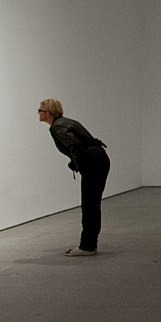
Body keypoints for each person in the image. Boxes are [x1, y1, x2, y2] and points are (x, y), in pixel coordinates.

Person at [38, 99, 110, 256]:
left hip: (93, 162)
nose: (38, 113)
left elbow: (75, 146)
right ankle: (89, 244)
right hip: (99, 159)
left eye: (40, 110)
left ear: (48, 113)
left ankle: (88, 246)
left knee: (89, 205)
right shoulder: (64, 123)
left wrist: (79, 164)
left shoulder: (57, 127)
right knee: (92, 204)